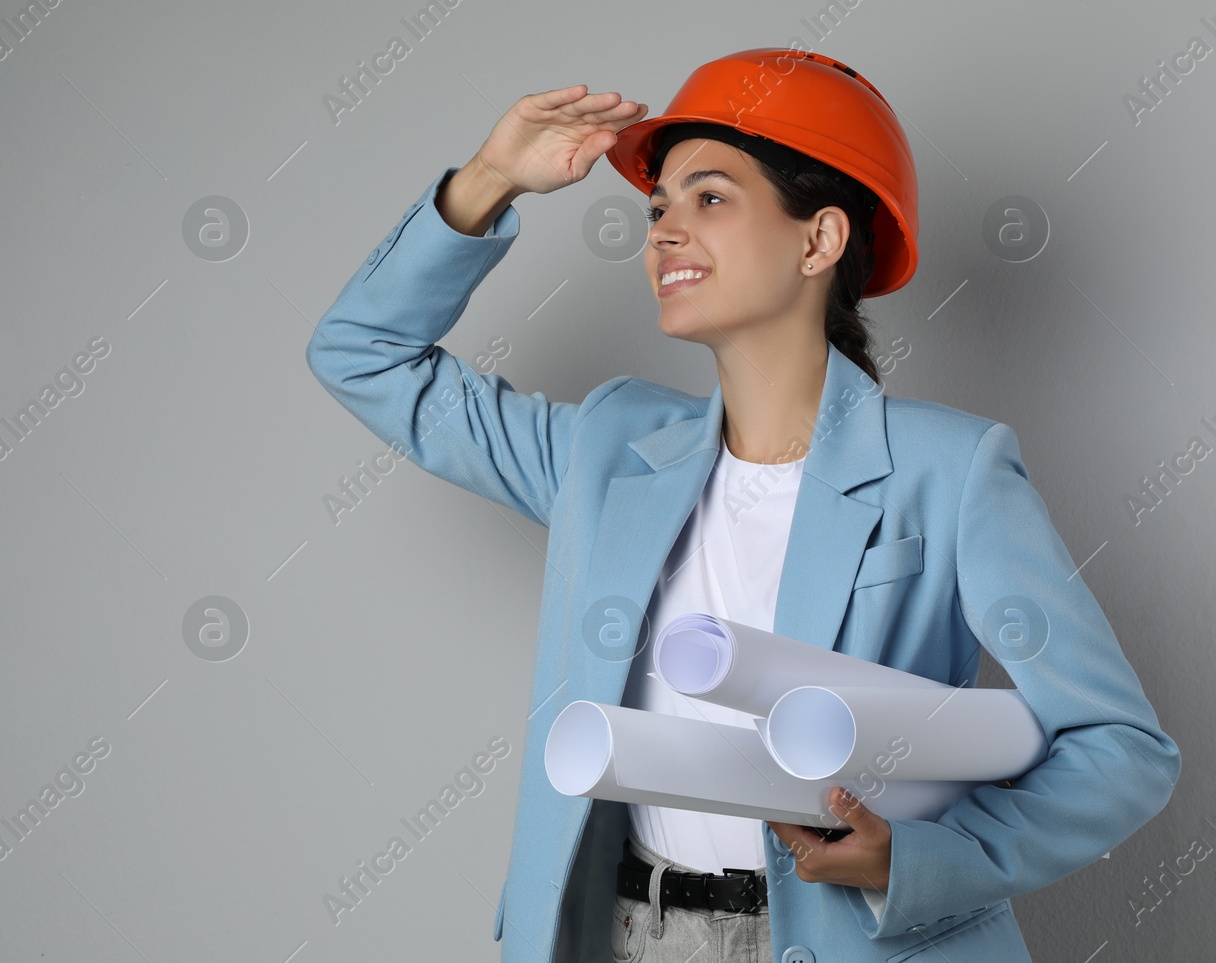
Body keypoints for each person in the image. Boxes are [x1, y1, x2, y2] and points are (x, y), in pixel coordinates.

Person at [304, 48, 1180, 963]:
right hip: (626, 933)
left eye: (709, 198)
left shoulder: (949, 468)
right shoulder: (607, 449)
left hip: (856, 940)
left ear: (819, 240)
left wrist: (921, 859)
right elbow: (362, 353)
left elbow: (1121, 745)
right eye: (657, 207)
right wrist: (488, 180)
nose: (665, 231)